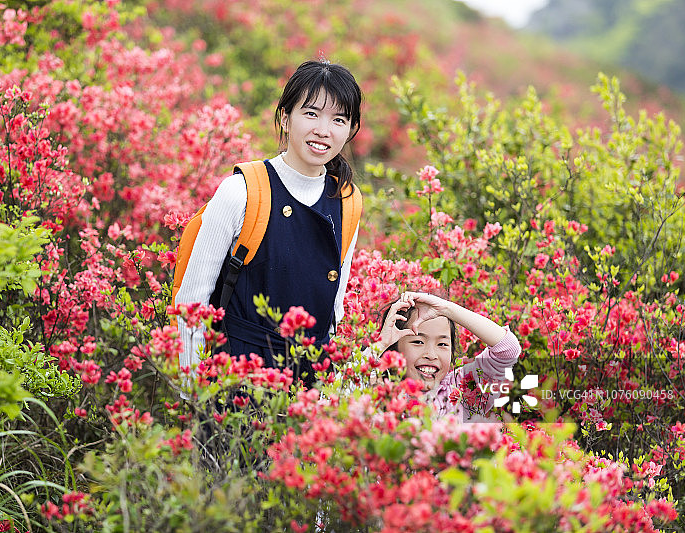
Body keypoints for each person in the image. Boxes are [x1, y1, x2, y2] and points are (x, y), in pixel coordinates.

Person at [174, 59, 363, 383]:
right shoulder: (242, 190)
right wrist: (194, 394)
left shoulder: (347, 201)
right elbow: (192, 301)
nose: (323, 130)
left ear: (349, 131)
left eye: (339, 119)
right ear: (286, 118)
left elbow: (333, 313)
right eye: (311, 113)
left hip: (305, 392)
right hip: (233, 388)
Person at [374, 290, 521, 421]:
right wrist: (381, 344)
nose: (431, 355)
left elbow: (507, 349)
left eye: (442, 344)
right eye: (418, 341)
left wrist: (446, 308)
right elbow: (353, 381)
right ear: (395, 348)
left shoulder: (461, 391)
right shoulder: (377, 391)